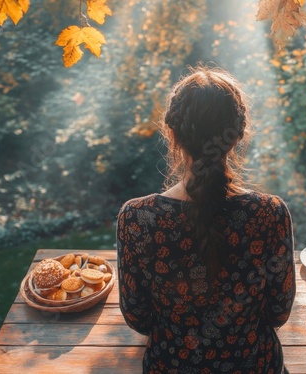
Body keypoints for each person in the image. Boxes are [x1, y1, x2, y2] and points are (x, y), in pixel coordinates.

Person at [117, 66, 295, 373]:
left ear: (172, 133)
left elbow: (137, 317)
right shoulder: (270, 214)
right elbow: (278, 313)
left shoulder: (136, 218)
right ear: (238, 134)